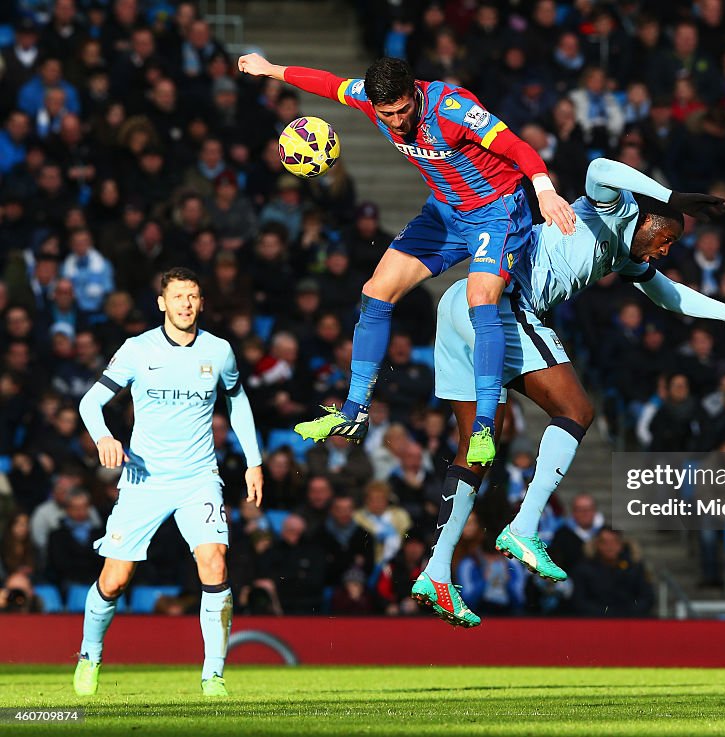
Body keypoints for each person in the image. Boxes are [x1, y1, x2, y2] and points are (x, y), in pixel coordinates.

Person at [412, 157, 725, 627]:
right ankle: (524, 527)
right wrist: (672, 196)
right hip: (501, 305)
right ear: (652, 221)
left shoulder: (626, 254)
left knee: (475, 448)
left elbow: (669, 295)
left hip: (460, 302)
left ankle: (435, 570)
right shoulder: (612, 210)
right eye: (667, 239)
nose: (664, 252)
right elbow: (596, 166)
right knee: (575, 409)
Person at [238, 53, 576, 466]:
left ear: (413, 92)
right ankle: (355, 409)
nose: (397, 122)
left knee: (480, 300)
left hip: (497, 210)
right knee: (375, 291)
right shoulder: (369, 99)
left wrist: (543, 189)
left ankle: (485, 423)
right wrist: (270, 69)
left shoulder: (452, 109)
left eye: (403, 110)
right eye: (388, 114)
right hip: (446, 212)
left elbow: (516, 146)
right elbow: (326, 83)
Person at [75, 268, 264, 698]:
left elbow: (238, 403)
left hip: (199, 477)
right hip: (144, 478)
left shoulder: (219, 351)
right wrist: (104, 436)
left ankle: (213, 675)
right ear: (162, 303)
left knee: (214, 561)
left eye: (193, 296)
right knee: (115, 580)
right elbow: (90, 402)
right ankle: (89, 654)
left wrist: (254, 462)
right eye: (178, 296)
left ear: (201, 303)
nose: (186, 304)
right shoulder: (138, 350)